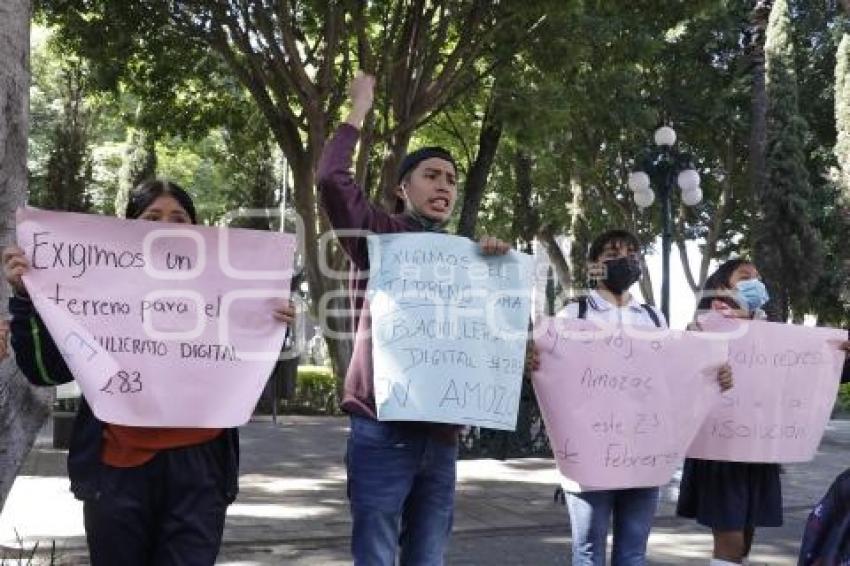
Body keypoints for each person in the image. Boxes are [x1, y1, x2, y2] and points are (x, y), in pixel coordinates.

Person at [2, 179, 294, 566]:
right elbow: (45, 372)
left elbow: (248, 380)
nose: (166, 226)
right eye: (152, 217)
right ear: (128, 227)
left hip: (200, 471)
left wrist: (270, 324)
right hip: (115, 469)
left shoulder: (227, 292)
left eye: (179, 218)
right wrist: (26, 299)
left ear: (198, 230)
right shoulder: (95, 292)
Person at [317, 71, 511, 566]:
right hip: (381, 430)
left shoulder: (469, 259)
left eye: (450, 179)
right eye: (431, 175)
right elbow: (330, 180)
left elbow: (490, 341)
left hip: (442, 438)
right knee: (377, 556)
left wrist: (498, 270)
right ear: (402, 189)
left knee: (428, 557)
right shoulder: (378, 236)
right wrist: (357, 110)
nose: (444, 185)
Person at [533, 229, 732, 566]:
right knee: (588, 554)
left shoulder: (654, 318)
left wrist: (712, 372)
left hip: (643, 453)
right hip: (590, 455)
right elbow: (551, 376)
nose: (624, 260)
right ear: (594, 265)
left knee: (633, 554)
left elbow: (671, 380)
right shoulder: (572, 315)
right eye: (612, 253)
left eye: (632, 254)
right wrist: (533, 362)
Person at [677, 258, 850, 566]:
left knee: (744, 541)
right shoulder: (702, 328)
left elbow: (805, 376)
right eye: (745, 276)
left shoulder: (773, 335)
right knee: (730, 543)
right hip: (721, 451)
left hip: (758, 449)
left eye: (758, 278)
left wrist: (839, 356)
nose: (755, 283)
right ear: (722, 288)